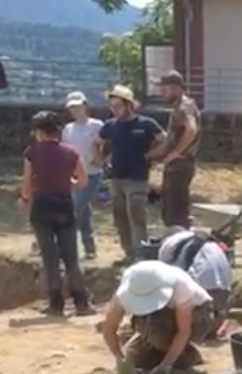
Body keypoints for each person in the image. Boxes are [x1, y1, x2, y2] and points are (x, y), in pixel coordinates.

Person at [20, 111, 93, 317]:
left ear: (39, 132)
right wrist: (68, 183)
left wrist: (25, 198)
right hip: (64, 206)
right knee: (71, 257)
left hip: (42, 206)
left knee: (49, 256)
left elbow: (27, 182)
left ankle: (56, 303)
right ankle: (81, 302)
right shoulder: (71, 152)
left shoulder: (32, 152)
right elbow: (83, 182)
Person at [100, 260, 216, 374]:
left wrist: (165, 366)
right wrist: (120, 359)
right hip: (159, 318)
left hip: (198, 314)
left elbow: (184, 331)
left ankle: (187, 355)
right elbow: (109, 331)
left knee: (153, 330)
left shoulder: (180, 286)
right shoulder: (126, 289)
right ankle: (165, 351)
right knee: (134, 358)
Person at [96, 85, 165, 264]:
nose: (115, 110)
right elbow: (97, 142)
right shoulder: (110, 125)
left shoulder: (146, 124)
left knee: (136, 214)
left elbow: (164, 140)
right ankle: (128, 253)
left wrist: (150, 155)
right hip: (116, 177)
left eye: (118, 106)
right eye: (112, 106)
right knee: (120, 217)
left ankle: (141, 254)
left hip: (137, 177)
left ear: (129, 105)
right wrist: (102, 161)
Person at [156, 227, 232, 329]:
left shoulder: (169, 244)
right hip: (224, 291)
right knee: (209, 327)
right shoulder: (205, 240)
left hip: (202, 293)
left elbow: (166, 276)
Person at [62, 91, 105, 260]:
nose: (75, 110)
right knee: (83, 210)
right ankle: (89, 247)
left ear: (85, 106)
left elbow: (106, 144)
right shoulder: (68, 129)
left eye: (78, 107)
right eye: (72, 108)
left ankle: (67, 243)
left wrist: (100, 158)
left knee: (77, 206)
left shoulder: (96, 125)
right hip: (75, 174)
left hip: (93, 173)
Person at [156, 71, 200, 229]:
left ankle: (182, 240)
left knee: (176, 215)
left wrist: (177, 152)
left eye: (165, 89)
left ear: (176, 88)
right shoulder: (178, 108)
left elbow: (191, 130)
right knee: (169, 212)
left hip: (181, 165)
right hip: (174, 166)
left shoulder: (185, 107)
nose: (162, 93)